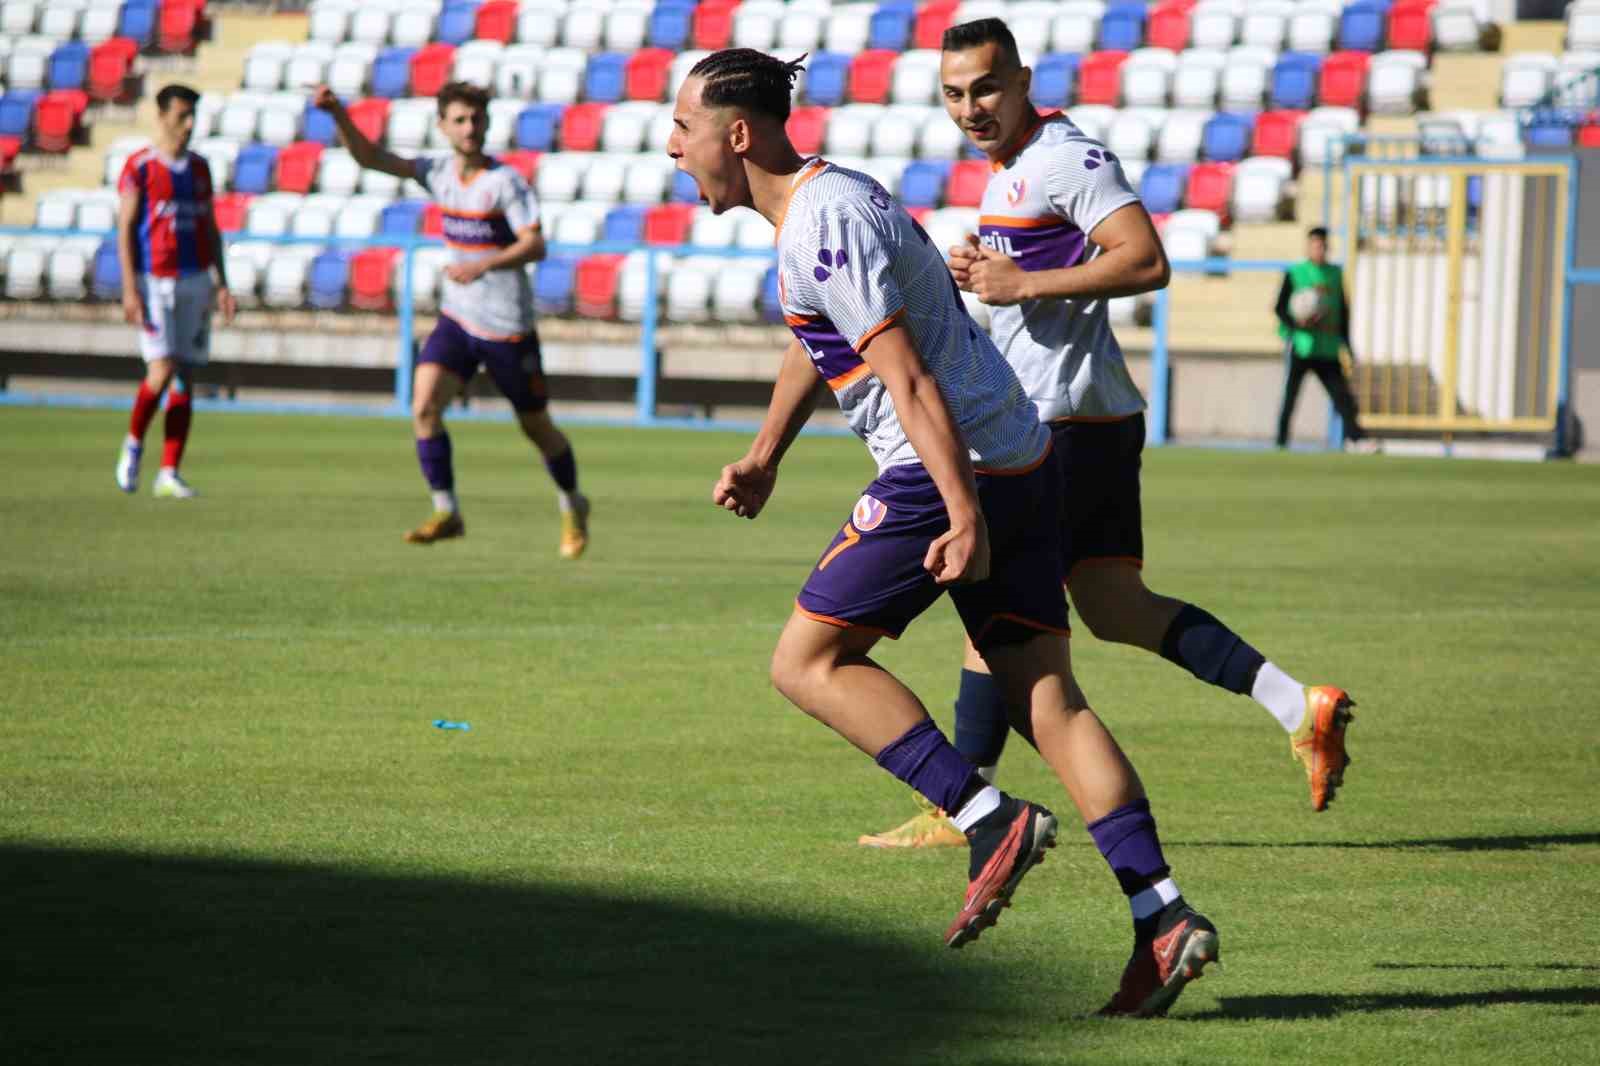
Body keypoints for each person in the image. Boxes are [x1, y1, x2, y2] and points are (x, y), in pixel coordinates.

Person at [669, 46, 1218, 1017]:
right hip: (1015, 450)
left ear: (737, 135)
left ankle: (985, 817)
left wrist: (961, 511)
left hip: (946, 467)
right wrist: (766, 454)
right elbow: (825, 339)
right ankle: (1163, 915)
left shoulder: (820, 224)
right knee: (1047, 700)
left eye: (684, 129)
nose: (675, 150)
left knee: (806, 662)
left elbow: (909, 378)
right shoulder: (833, 201)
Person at [857, 20, 1358, 863]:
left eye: (986, 87)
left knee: (994, 606)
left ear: (1023, 81)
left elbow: (1146, 260)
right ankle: (1296, 705)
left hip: (1058, 423)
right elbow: (1039, 281)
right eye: (953, 94)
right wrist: (990, 272)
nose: (970, 107)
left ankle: (962, 805)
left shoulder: (1064, 158)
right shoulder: (1014, 168)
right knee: (1114, 606)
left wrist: (1024, 281)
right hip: (1089, 417)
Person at [311, 81, 589, 555]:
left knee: (537, 428)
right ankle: (447, 511)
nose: (469, 128)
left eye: (476, 119)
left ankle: (572, 503)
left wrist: (483, 264)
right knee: (423, 407)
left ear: (487, 124)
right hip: (458, 318)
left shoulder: (505, 183)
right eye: (459, 120)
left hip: (507, 328)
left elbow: (536, 244)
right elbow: (370, 158)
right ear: (442, 126)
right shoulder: (437, 172)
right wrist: (338, 114)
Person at [114, 83, 236, 499]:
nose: (188, 124)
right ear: (162, 115)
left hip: (195, 279)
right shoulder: (141, 167)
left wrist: (222, 283)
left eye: (192, 116)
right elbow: (125, 230)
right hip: (155, 281)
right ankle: (133, 443)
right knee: (161, 369)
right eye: (181, 115)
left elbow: (211, 228)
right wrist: (129, 288)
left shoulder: (200, 168)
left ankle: (169, 472)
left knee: (184, 374)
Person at [1274, 226, 1366, 449]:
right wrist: (1297, 324)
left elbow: (1343, 312)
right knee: (1291, 397)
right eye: (1314, 246)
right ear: (1308, 247)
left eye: (1322, 246)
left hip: (1327, 348)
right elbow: (1280, 308)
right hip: (1303, 346)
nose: (1319, 250)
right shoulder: (1295, 273)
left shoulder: (1334, 274)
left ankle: (1358, 439)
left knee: (1342, 397)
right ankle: (1281, 442)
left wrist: (1347, 345)